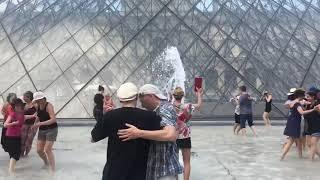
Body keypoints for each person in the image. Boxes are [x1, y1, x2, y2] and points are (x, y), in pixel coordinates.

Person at [91, 82, 162, 180]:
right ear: (136, 97)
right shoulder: (150, 117)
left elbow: (93, 137)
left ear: (120, 99)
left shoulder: (110, 116)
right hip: (139, 173)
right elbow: (162, 137)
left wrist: (104, 116)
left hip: (113, 173)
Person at [118, 84, 183, 180]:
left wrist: (138, 133)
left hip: (165, 171)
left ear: (151, 96)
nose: (140, 102)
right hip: (158, 169)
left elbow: (170, 134)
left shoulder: (163, 109)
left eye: (142, 98)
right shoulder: (156, 111)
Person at [170, 87, 202, 180]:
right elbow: (199, 105)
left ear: (173, 96)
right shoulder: (188, 106)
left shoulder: (169, 106)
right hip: (185, 136)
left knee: (174, 162)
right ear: (182, 96)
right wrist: (199, 93)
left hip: (173, 136)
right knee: (186, 162)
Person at [281, 89, 317, 160]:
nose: (305, 97)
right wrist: (313, 109)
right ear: (301, 95)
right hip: (295, 123)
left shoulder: (293, 102)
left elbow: (290, 106)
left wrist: (307, 104)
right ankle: (282, 157)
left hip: (291, 121)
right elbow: (301, 112)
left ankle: (300, 156)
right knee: (291, 141)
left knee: (299, 140)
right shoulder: (297, 103)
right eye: (304, 95)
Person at [32, 91, 58, 173]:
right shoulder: (37, 105)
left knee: (47, 149)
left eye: (40, 99)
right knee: (39, 150)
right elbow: (38, 115)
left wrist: (40, 123)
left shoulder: (49, 106)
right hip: (42, 129)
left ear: (43, 98)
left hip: (51, 129)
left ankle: (53, 170)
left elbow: (53, 119)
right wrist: (35, 124)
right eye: (37, 100)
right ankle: (46, 163)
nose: (38, 101)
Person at [3, 98, 25, 175]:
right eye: (17, 106)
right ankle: (11, 171)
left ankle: (11, 169)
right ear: (14, 107)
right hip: (11, 137)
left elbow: (25, 117)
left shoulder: (22, 113)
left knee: (15, 153)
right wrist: (13, 123)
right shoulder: (12, 114)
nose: (19, 107)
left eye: (20, 106)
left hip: (17, 136)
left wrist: (33, 116)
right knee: (15, 154)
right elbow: (5, 124)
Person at [21, 91, 38, 157]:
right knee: (22, 140)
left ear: (29, 97)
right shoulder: (23, 105)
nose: (23, 98)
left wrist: (35, 124)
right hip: (24, 125)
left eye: (24, 96)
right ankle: (21, 154)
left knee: (29, 140)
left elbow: (38, 114)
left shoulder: (35, 105)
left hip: (32, 125)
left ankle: (26, 154)